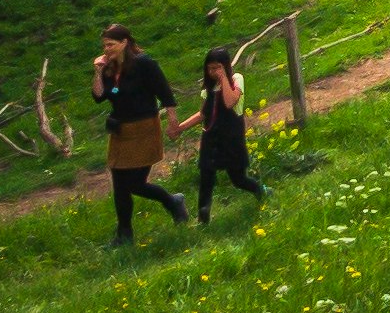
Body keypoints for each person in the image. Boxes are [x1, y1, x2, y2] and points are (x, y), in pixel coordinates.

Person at [90, 23, 188, 243]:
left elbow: (165, 93)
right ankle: (124, 234)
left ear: (125, 42)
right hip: (120, 131)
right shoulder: (109, 68)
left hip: (144, 127)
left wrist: (173, 123)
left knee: (135, 183)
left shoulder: (145, 64)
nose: (106, 49)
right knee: (119, 184)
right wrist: (98, 70)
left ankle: (173, 201)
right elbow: (98, 96)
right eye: (104, 45)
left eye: (111, 44)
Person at [186, 46, 265, 224]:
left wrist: (223, 79)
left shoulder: (236, 79)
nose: (213, 72)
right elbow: (202, 114)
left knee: (238, 179)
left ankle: (261, 191)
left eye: (217, 68)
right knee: (206, 177)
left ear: (226, 66)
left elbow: (230, 103)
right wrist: (179, 128)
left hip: (231, 137)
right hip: (211, 138)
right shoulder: (207, 88)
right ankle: (202, 219)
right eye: (210, 68)